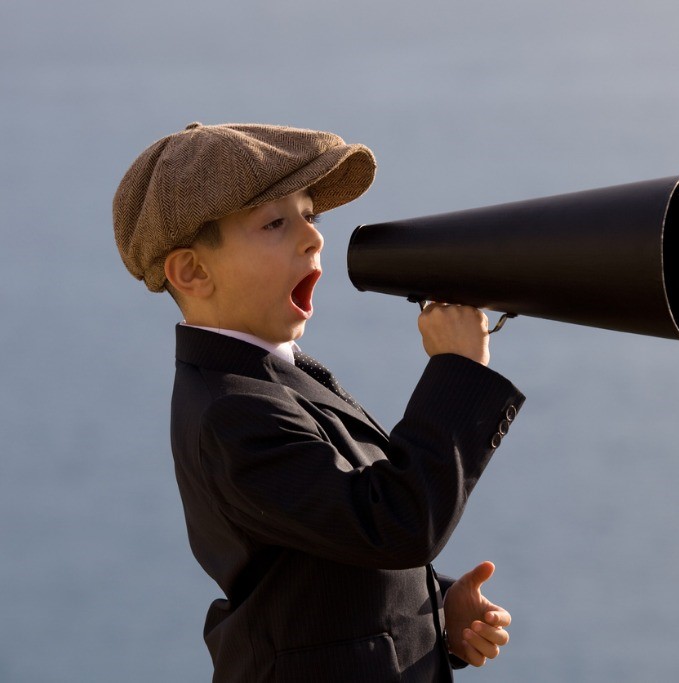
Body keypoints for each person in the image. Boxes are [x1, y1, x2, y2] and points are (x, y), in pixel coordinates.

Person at [112, 122, 525, 682]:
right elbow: (394, 523)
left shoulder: (279, 373)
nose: (313, 237)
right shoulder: (232, 412)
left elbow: (328, 552)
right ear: (192, 271)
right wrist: (457, 372)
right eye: (276, 223)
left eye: (312, 215)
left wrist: (433, 611)